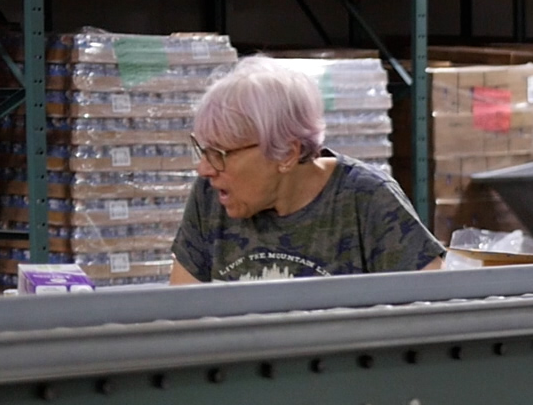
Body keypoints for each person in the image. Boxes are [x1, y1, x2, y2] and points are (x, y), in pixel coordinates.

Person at [172, 57, 443, 283]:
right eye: (203, 150)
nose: (204, 169)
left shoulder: (367, 200)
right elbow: (181, 316)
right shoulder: (211, 198)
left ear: (287, 154)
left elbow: (429, 310)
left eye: (219, 154)